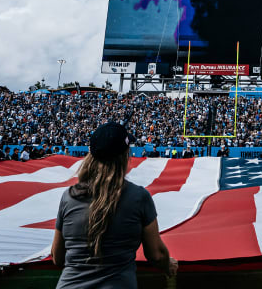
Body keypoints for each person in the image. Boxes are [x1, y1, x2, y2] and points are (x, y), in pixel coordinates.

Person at [53, 122, 177, 288]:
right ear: (126, 156)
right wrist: (167, 264)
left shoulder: (69, 197)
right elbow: (156, 254)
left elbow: (57, 257)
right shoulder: (138, 197)